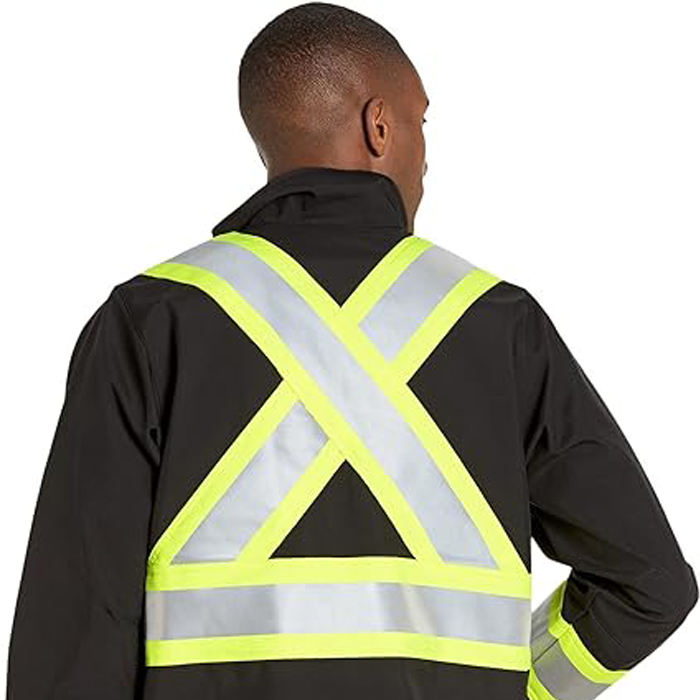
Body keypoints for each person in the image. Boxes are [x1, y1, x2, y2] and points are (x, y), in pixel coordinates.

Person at [7, 3, 696, 700]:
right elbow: (649, 585)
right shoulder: (498, 323)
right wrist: (525, 688)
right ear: (379, 126)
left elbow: (72, 636)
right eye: (422, 123)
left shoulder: (154, 319)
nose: (427, 157)